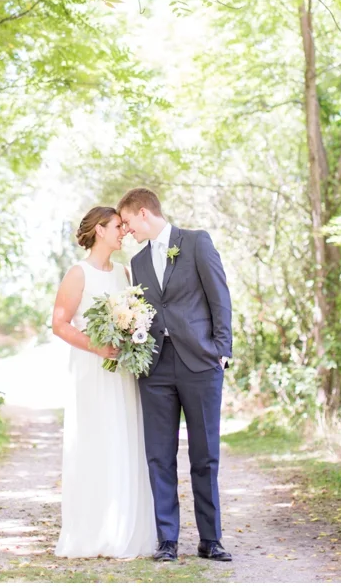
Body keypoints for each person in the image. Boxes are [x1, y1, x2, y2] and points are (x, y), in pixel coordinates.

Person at [118, 187, 233, 563]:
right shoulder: (136, 262)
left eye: (128, 222)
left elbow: (220, 296)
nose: (127, 230)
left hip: (200, 363)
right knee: (159, 456)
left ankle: (210, 540)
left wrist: (222, 350)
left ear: (144, 214)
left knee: (205, 455)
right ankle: (167, 540)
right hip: (155, 368)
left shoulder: (196, 242)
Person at [50, 206, 160, 559]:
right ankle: (91, 532)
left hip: (121, 372)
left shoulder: (124, 273)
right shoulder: (78, 274)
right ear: (99, 230)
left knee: (124, 441)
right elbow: (60, 324)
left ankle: (125, 529)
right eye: (117, 226)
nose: (123, 231)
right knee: (95, 442)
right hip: (91, 370)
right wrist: (96, 346)